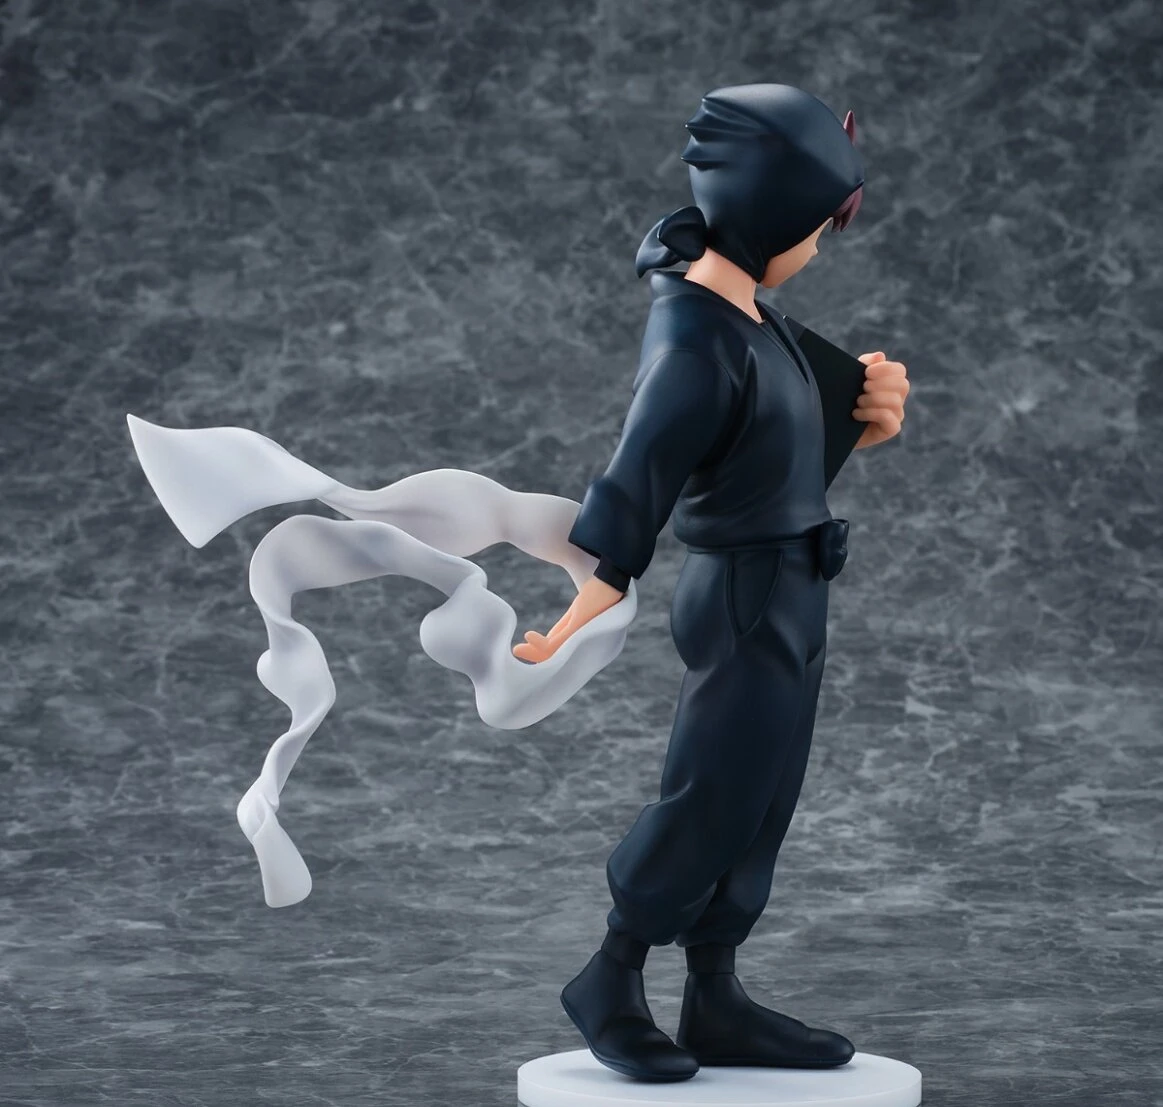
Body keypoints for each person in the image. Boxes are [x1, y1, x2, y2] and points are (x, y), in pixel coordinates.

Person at [512, 84, 910, 1083]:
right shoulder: (693, 340)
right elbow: (638, 474)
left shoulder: (756, 321)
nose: (817, 247)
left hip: (798, 586)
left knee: (764, 799)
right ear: (775, 212)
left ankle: (714, 993)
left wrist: (867, 416)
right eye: (815, 227)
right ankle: (609, 974)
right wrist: (580, 608)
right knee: (711, 793)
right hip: (742, 595)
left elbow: (775, 455)